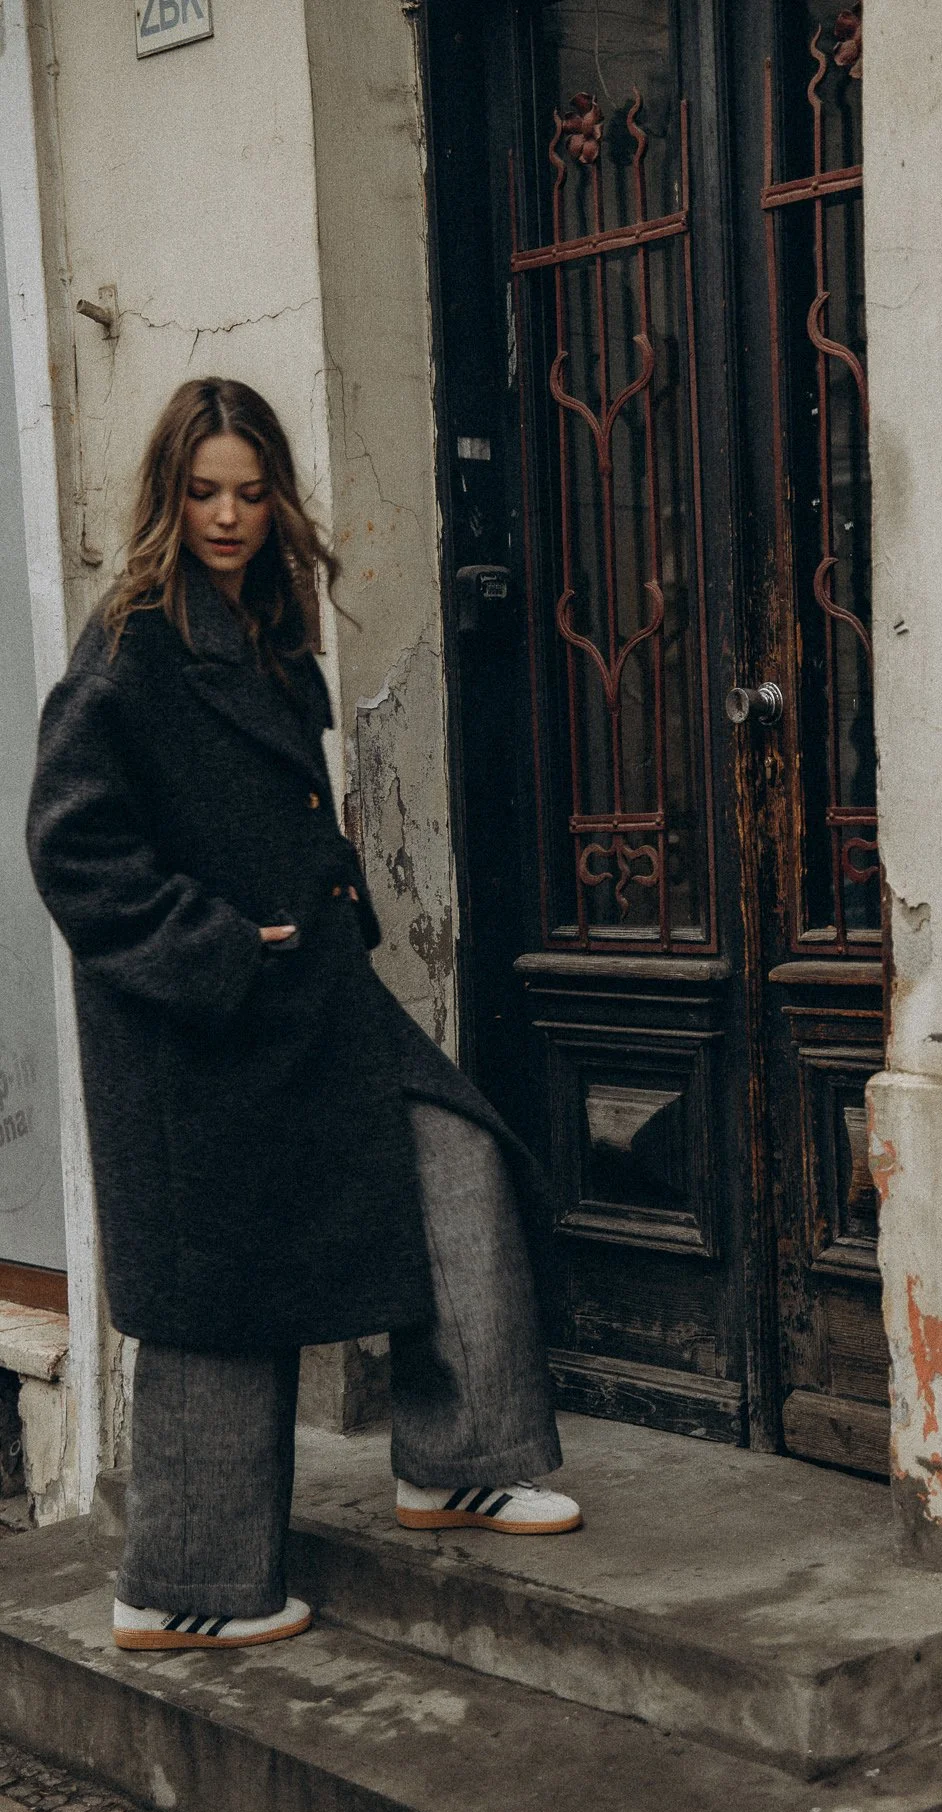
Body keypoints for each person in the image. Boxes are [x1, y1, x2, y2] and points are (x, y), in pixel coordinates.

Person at [27, 377, 580, 1653]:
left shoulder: (262, 623)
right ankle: (181, 1588)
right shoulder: (131, 644)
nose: (229, 515)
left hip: (308, 995)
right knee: (218, 1288)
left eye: (251, 490)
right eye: (205, 491)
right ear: (170, 497)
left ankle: (459, 1457)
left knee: (457, 1153)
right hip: (201, 1019)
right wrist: (214, 947)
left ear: (278, 497)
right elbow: (70, 846)